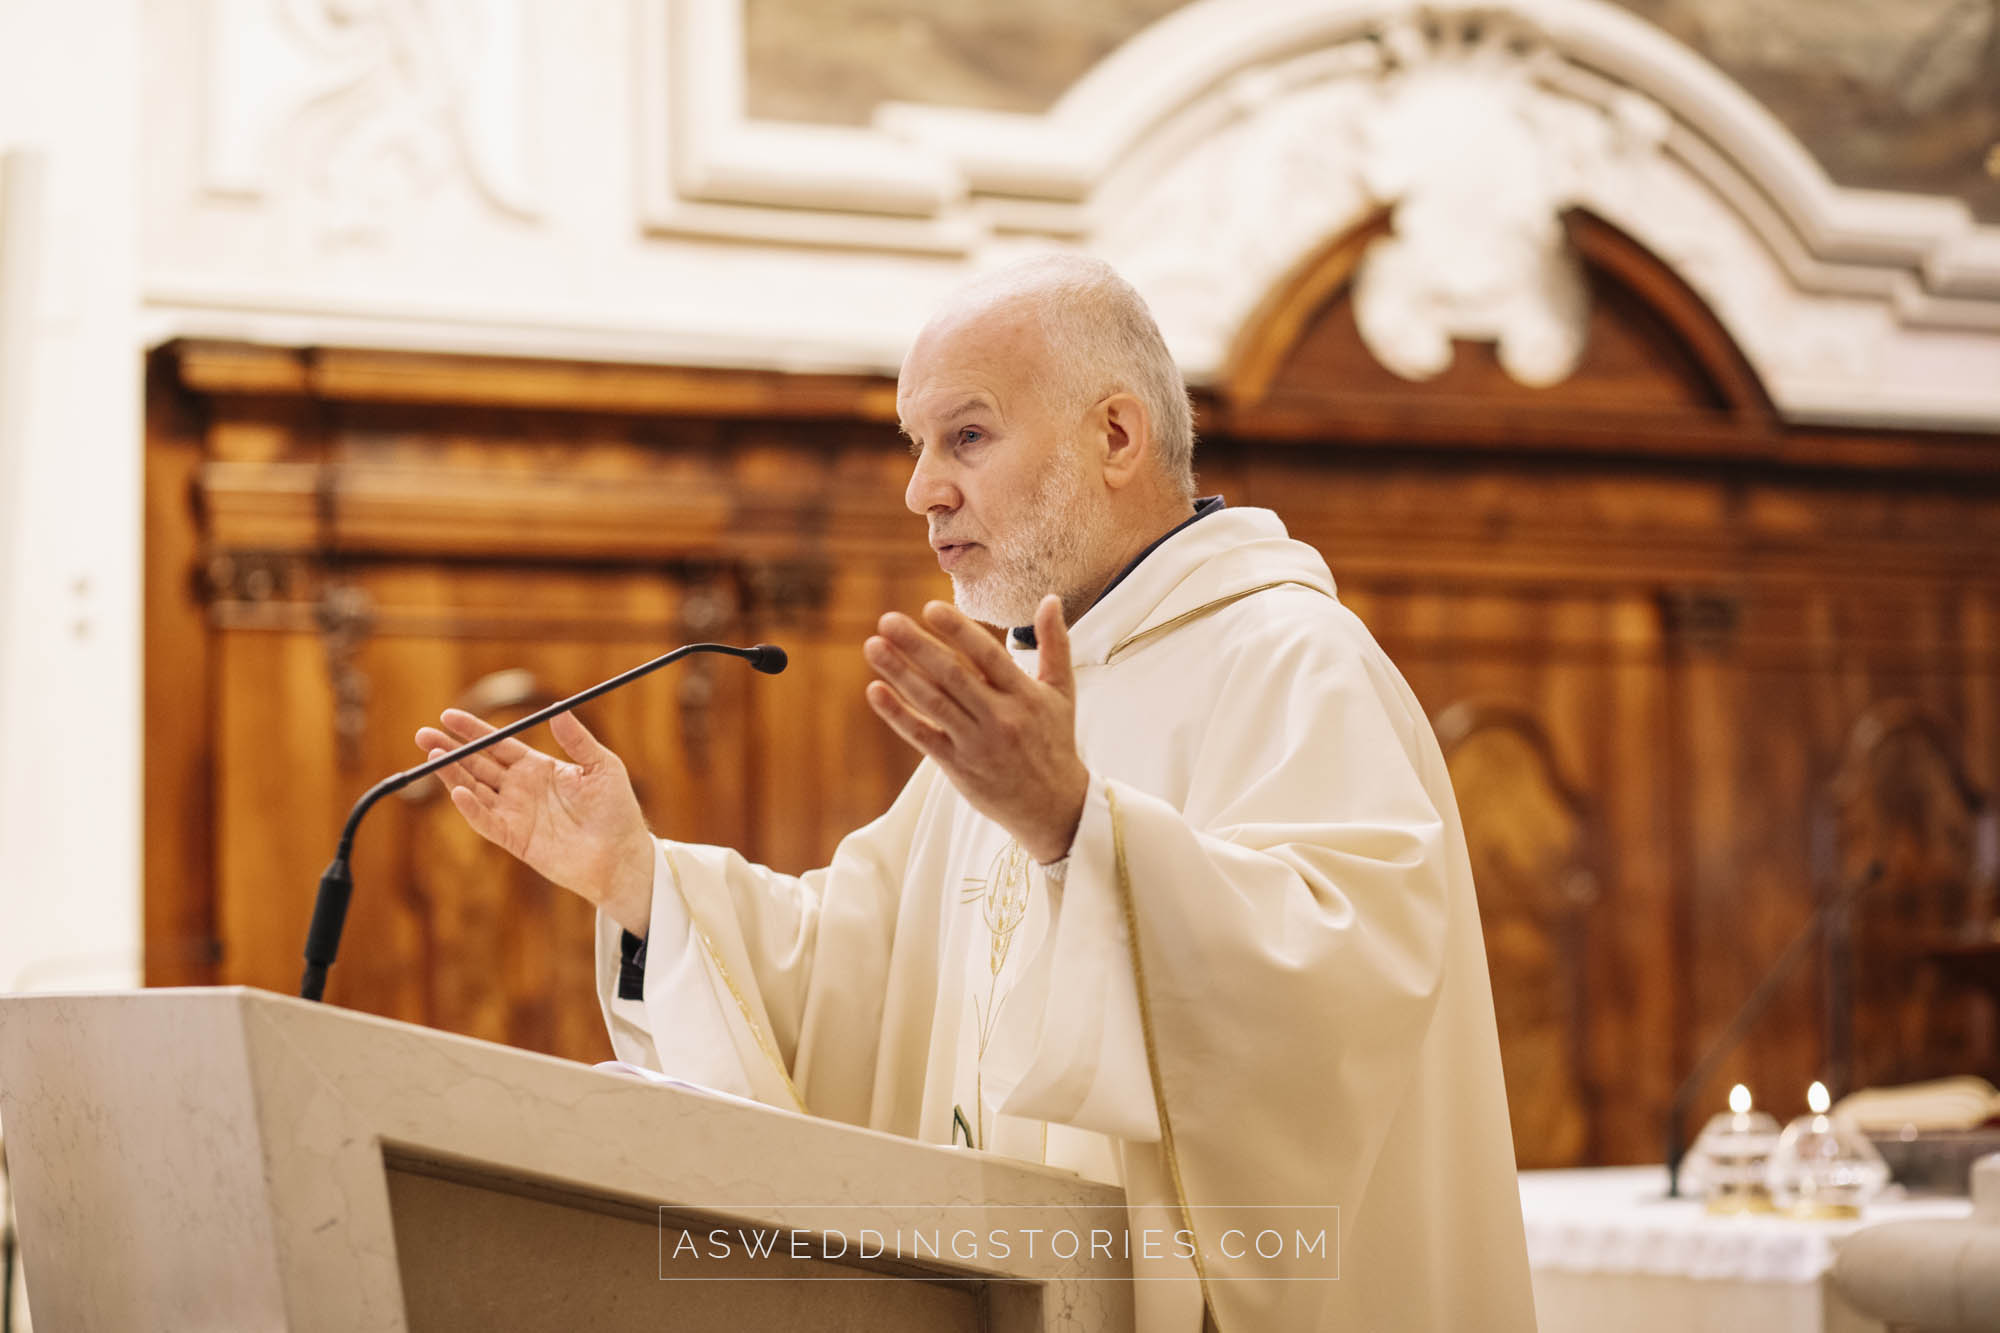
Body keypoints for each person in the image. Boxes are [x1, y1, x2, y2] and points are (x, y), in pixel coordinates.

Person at [415, 254, 1536, 1331]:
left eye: (966, 434)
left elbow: (1338, 998)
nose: (920, 489)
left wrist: (1078, 832)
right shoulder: (1023, 697)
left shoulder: (1292, 660)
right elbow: (857, 972)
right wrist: (636, 878)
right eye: (917, 444)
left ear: (1114, 433)